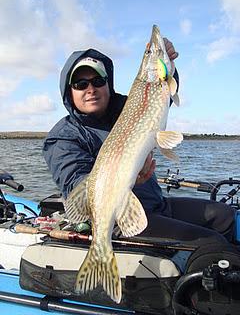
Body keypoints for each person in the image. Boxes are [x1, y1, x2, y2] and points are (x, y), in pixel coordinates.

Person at [43, 39, 235, 245]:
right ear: (69, 92)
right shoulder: (62, 137)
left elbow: (161, 97)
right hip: (117, 218)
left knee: (224, 216)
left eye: (98, 81)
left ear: (108, 84)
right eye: (81, 84)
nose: (90, 89)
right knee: (212, 242)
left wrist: (168, 65)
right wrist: (130, 179)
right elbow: (75, 185)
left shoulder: (128, 108)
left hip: (156, 204)